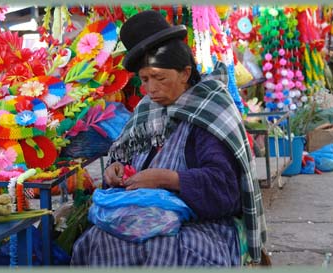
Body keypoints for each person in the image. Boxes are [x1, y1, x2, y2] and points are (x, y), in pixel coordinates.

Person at [71, 10, 267, 267]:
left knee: (163, 248)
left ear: (185, 73)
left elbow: (226, 190)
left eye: (160, 78)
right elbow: (122, 157)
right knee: (94, 241)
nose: (151, 89)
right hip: (144, 215)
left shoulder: (209, 110)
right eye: (145, 79)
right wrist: (114, 170)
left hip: (201, 222)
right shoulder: (147, 110)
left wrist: (167, 179)